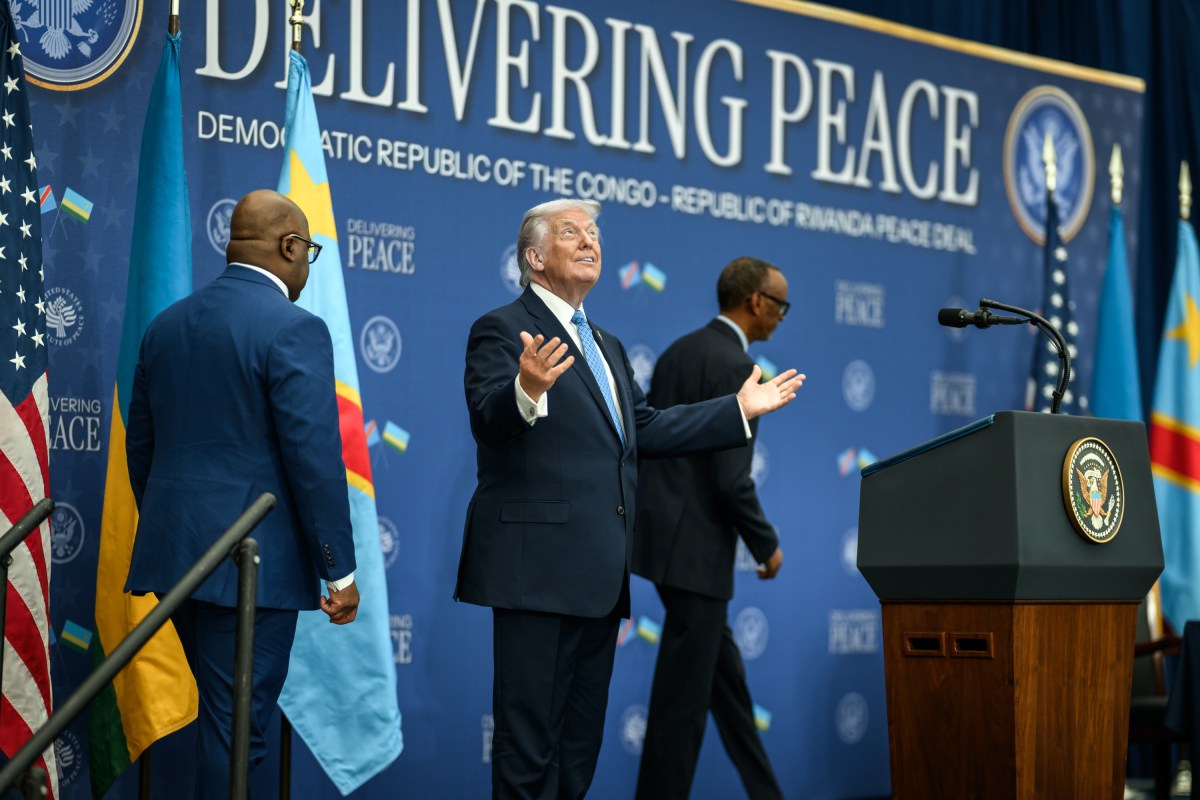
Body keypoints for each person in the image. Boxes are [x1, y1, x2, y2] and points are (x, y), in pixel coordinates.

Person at [455, 200, 805, 799]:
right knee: (528, 750)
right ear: (535, 258)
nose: (590, 241)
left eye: (594, 233)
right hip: (534, 574)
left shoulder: (608, 346)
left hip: (599, 577)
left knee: (577, 752)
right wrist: (525, 388)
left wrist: (736, 411)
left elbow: (646, 427)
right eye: (572, 233)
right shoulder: (502, 326)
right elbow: (489, 420)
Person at [124, 189, 360, 795]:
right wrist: (340, 571)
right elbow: (314, 463)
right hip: (249, 566)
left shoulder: (165, 325)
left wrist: (174, 534)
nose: (309, 263)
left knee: (226, 720)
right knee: (238, 733)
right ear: (288, 247)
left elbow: (142, 450)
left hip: (178, 561)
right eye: (309, 249)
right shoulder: (295, 329)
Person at [631, 256, 792, 799]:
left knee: (727, 692)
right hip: (698, 556)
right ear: (756, 303)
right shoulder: (743, 372)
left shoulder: (679, 350)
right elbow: (730, 479)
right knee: (681, 711)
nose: (781, 318)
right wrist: (766, 545)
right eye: (780, 306)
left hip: (666, 548)